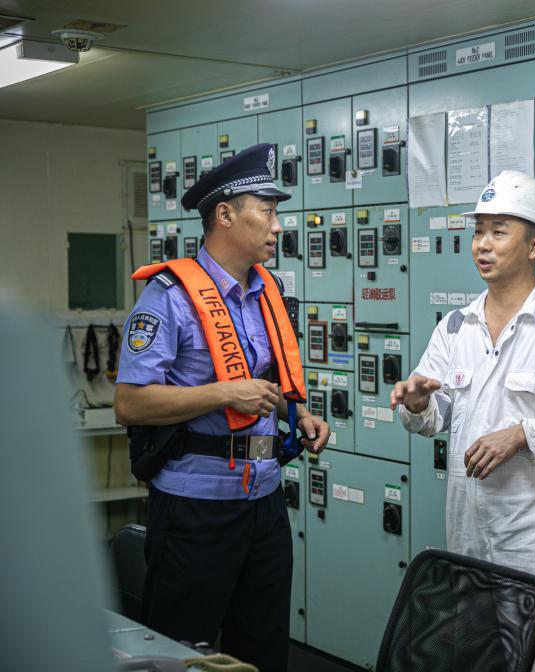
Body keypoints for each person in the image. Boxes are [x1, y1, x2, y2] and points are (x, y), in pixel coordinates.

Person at [114, 143, 330, 672]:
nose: (278, 226)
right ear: (226, 215)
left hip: (264, 501)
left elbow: (271, 378)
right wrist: (224, 393)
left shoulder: (270, 291)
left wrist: (299, 415)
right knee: (179, 654)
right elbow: (129, 403)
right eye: (268, 211)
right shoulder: (169, 297)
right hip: (195, 508)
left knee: (262, 651)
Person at [391, 170, 535, 671]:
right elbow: (441, 415)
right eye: (478, 232)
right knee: (474, 657)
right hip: (467, 530)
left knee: (533, 660)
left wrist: (522, 435)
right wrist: (418, 405)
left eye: (498, 231)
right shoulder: (456, 326)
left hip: (532, 535)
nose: (482, 245)